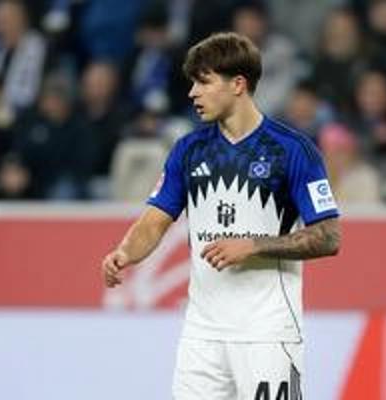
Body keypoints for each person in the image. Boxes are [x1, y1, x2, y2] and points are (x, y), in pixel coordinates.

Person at [101, 32, 341, 399]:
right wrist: (125, 252)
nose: (192, 93)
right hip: (202, 334)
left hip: (267, 333)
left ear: (238, 84)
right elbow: (155, 219)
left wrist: (253, 246)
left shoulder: (293, 151)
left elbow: (328, 237)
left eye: (204, 82)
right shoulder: (188, 150)